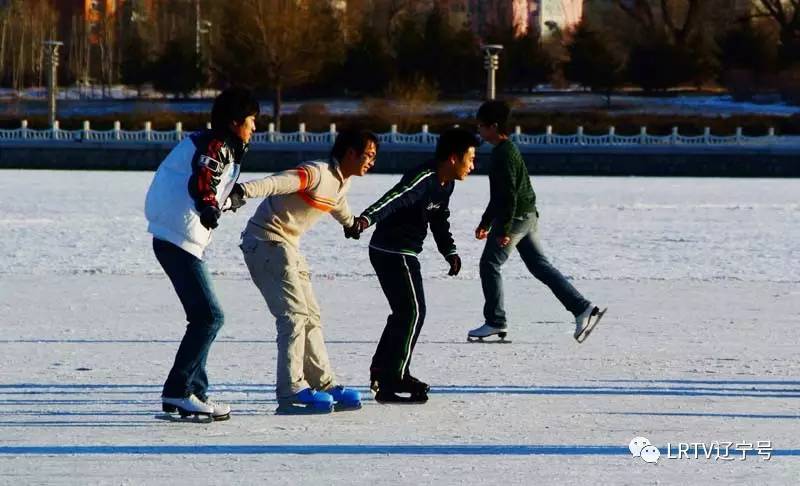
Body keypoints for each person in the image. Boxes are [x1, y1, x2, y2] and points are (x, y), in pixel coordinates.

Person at [236, 129, 379, 414]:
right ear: (351, 153)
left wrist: (351, 224)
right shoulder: (316, 173)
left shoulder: (340, 182)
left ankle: (323, 384)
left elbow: (337, 204)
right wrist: (242, 191)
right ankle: (291, 392)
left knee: (311, 316)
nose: (372, 162)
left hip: (287, 246)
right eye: (369, 155)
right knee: (293, 317)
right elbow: (277, 183)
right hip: (265, 242)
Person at [144, 87, 259, 421]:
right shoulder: (216, 144)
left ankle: (192, 393)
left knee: (203, 318)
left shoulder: (215, 144)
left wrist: (225, 201)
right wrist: (209, 205)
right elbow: (203, 179)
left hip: (177, 236)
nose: (254, 127)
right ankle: (180, 392)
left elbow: (208, 181)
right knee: (209, 317)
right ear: (235, 122)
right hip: (178, 238)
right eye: (251, 120)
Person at [348, 128, 479, 403]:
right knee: (413, 312)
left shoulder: (446, 184)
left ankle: (383, 372)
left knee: (406, 313)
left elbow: (439, 217)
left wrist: (449, 251)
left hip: (402, 251)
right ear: (453, 158)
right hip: (392, 250)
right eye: (470, 159)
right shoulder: (424, 177)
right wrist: (365, 219)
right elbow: (396, 197)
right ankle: (394, 376)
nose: (473, 166)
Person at [467, 100, 606, 344]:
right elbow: (500, 194)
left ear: (494, 126)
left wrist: (504, 228)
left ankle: (495, 321)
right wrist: (486, 222)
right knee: (540, 266)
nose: (478, 130)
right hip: (526, 216)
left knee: (489, 264)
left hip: (516, 217)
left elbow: (508, 195)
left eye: (481, 125)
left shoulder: (504, 154)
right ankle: (583, 308)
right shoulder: (506, 150)